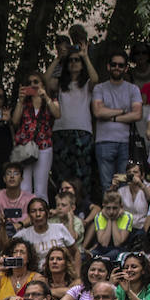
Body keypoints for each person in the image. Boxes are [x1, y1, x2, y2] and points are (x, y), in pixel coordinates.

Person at [91, 51, 144, 191]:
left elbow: (137, 114)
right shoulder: (99, 88)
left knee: (125, 184)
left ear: (126, 68)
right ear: (108, 66)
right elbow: (97, 112)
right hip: (103, 141)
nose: (117, 68)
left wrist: (110, 115)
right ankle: (107, 213)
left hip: (126, 142)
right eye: (114, 64)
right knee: (107, 184)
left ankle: (123, 213)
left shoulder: (133, 89)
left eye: (121, 65)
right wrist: (123, 111)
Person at [52, 47, 101, 197]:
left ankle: (81, 208)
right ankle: (62, 206)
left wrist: (85, 57)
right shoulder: (60, 84)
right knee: (61, 175)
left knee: (82, 175)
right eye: (71, 60)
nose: (74, 63)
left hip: (82, 132)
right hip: (60, 131)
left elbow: (95, 79)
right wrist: (58, 59)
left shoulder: (86, 85)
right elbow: (47, 81)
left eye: (76, 60)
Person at [10, 70, 59, 201]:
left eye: (36, 82)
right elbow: (15, 121)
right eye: (29, 83)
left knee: (41, 188)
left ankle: (42, 217)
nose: (32, 85)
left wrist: (46, 97)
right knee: (24, 188)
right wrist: (20, 101)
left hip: (44, 146)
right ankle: (25, 219)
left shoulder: (50, 99)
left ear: (43, 84)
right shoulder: (24, 102)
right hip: (25, 148)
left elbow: (57, 114)